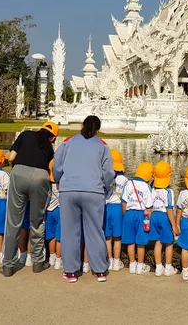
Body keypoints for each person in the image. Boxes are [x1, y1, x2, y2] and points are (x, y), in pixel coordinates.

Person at [52, 116, 115, 283]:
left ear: (82, 125)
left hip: (69, 189)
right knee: (95, 231)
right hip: (93, 190)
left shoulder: (68, 142)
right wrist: (105, 185)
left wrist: (59, 179)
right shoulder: (102, 145)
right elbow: (108, 172)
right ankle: (100, 270)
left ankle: (71, 271)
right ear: (97, 130)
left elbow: (56, 165)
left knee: (70, 231)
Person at [1, 121, 58, 277]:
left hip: (19, 173)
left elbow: (11, 157)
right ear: (53, 138)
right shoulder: (49, 147)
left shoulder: (25, 135)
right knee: (37, 221)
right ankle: (38, 262)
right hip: (41, 177)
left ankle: (8, 265)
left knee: (14, 222)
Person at [121, 162, 154, 275]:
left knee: (130, 241)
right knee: (141, 242)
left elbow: (124, 202)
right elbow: (149, 206)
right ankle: (140, 265)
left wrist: (126, 215)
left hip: (129, 213)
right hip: (141, 215)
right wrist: (147, 220)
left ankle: (132, 264)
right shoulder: (146, 187)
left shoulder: (128, 183)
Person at [148, 161, 178, 277]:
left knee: (158, 242)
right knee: (169, 243)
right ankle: (168, 267)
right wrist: (174, 225)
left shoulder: (152, 189)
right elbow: (169, 209)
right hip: (165, 217)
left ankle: (158, 267)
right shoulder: (168, 191)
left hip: (154, 216)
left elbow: (149, 207)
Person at [104, 148, 128, 272]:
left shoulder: (104, 177)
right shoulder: (125, 180)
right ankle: (117, 262)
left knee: (108, 237)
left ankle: (109, 260)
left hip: (107, 207)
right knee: (117, 237)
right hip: (118, 208)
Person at [46, 159, 62, 270]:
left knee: (50, 235)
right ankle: (58, 259)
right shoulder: (64, 183)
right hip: (60, 210)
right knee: (59, 237)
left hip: (49, 210)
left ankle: (51, 256)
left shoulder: (46, 183)